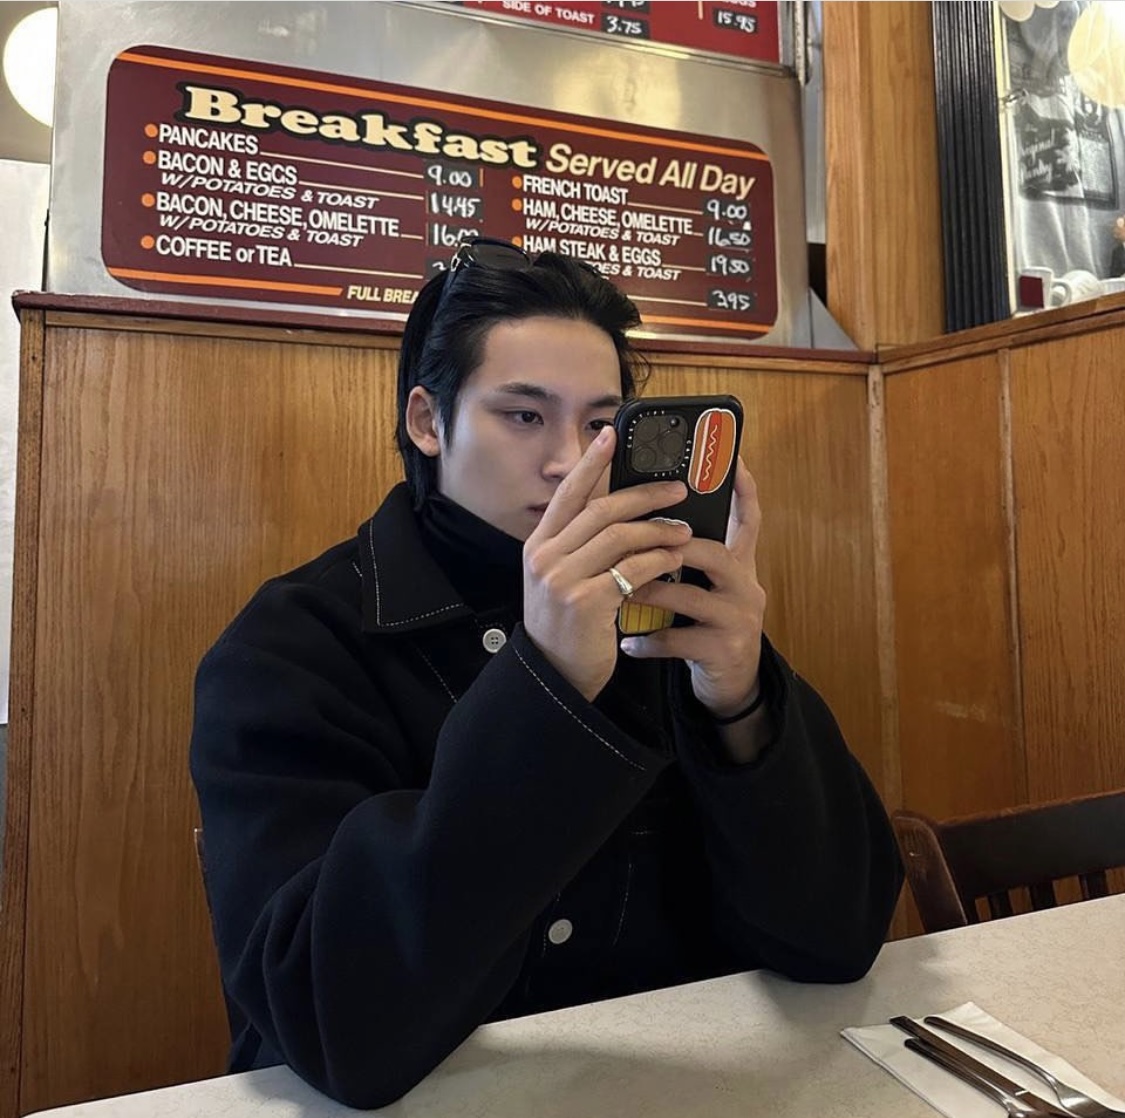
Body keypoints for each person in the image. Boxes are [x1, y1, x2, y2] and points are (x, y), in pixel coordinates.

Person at [190, 238, 903, 1109]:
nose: (569, 461)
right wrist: (549, 679)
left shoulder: (663, 605)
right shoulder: (293, 645)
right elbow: (335, 1027)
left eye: (602, 426)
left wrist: (741, 700)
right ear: (428, 421)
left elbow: (837, 942)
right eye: (523, 416)